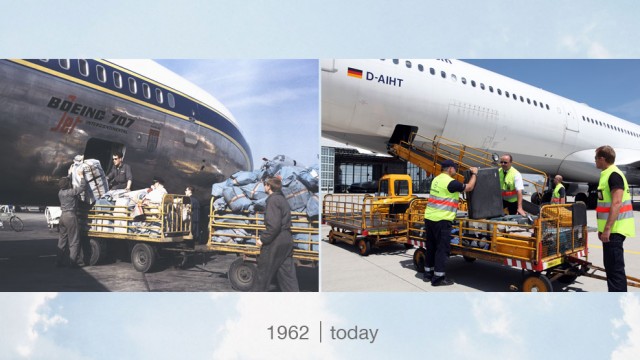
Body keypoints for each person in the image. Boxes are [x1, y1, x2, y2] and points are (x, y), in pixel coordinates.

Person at [424, 160, 478, 286]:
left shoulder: (436, 179)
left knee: (431, 247)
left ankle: (428, 274)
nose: (456, 171)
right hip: (442, 219)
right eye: (455, 169)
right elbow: (469, 187)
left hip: (429, 218)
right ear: (450, 169)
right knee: (442, 249)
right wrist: (474, 174)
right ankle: (438, 278)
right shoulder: (450, 182)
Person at [595, 145, 635, 292]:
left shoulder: (613, 174)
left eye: (596, 158)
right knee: (612, 269)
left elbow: (617, 203)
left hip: (615, 231)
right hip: (611, 231)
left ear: (602, 159)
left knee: (614, 271)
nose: (595, 162)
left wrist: (607, 229)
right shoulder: (607, 174)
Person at [255, 176, 299, 292]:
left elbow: (274, 226)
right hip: (287, 240)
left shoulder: (273, 200)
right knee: (288, 277)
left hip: (276, 241)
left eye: (265, 184)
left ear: (269, 186)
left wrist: (262, 239)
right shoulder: (282, 199)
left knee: (263, 274)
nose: (264, 186)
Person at [56, 170, 87, 268]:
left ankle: (59, 261)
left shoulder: (60, 193)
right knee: (74, 240)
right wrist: (81, 176)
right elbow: (82, 187)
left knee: (62, 240)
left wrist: (69, 173)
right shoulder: (71, 192)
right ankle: (73, 262)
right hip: (70, 217)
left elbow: (66, 181)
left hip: (62, 217)